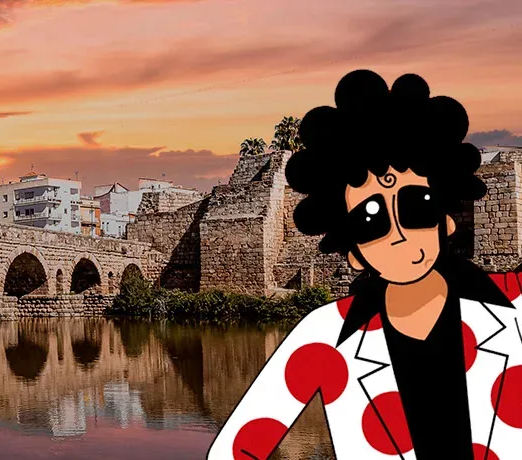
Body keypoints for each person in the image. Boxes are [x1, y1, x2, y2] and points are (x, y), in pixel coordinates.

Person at [207, 70, 521, 460]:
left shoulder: (515, 307)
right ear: (353, 251)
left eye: (416, 207)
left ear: (446, 220)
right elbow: (237, 447)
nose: (399, 233)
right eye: (370, 222)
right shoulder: (323, 337)